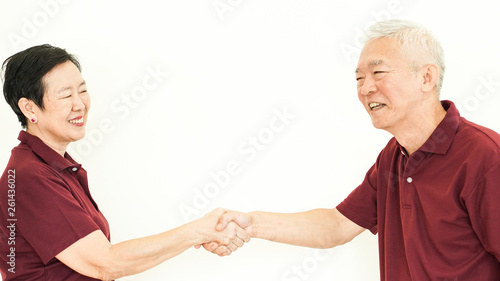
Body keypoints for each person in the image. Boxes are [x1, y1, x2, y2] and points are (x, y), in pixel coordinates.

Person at [202, 19, 500, 280]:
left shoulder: (484, 156)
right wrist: (252, 224)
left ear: (426, 78)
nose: (365, 88)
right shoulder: (394, 157)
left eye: (378, 72)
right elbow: (336, 225)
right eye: (359, 78)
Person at [0, 44, 250, 281]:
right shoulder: (30, 178)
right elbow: (105, 264)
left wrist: (201, 232)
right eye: (66, 95)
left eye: (83, 90)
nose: (80, 104)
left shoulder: (54, 168)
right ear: (29, 109)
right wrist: (199, 231)